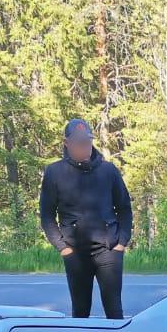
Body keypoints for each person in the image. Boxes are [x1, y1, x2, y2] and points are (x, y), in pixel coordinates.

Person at [38, 119, 133, 319]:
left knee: (114, 312)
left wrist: (121, 243)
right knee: (80, 312)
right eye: (79, 142)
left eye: (87, 142)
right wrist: (63, 248)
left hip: (108, 250)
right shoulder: (54, 172)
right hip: (75, 253)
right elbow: (47, 216)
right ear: (67, 143)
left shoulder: (109, 171)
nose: (85, 146)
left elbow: (124, 208)